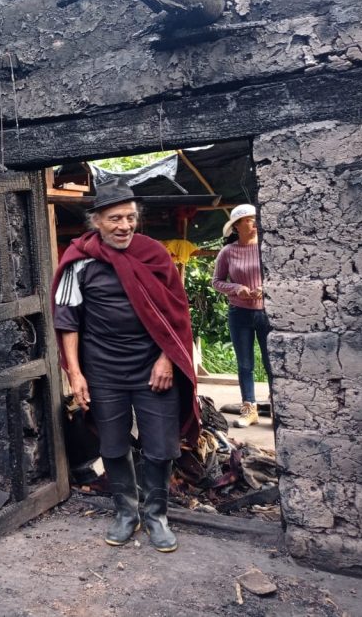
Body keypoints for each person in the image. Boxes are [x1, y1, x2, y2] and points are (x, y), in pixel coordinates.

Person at [51, 181, 200, 553]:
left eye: (130, 218)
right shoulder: (79, 259)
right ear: (97, 221)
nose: (124, 226)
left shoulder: (155, 255)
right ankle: (125, 512)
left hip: (154, 367)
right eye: (115, 218)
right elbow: (67, 320)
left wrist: (167, 358)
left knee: (161, 445)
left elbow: (176, 314)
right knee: (113, 444)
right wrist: (75, 373)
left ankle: (157, 516)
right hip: (103, 369)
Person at [212, 203, 271, 428]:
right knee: (245, 363)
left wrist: (265, 288)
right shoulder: (228, 251)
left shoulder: (266, 247)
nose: (253, 223)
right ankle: (250, 409)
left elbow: (278, 276)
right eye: (247, 220)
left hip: (266, 313)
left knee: (271, 362)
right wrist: (236, 288)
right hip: (239, 313)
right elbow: (216, 281)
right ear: (237, 226)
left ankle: (278, 406)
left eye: (255, 218)